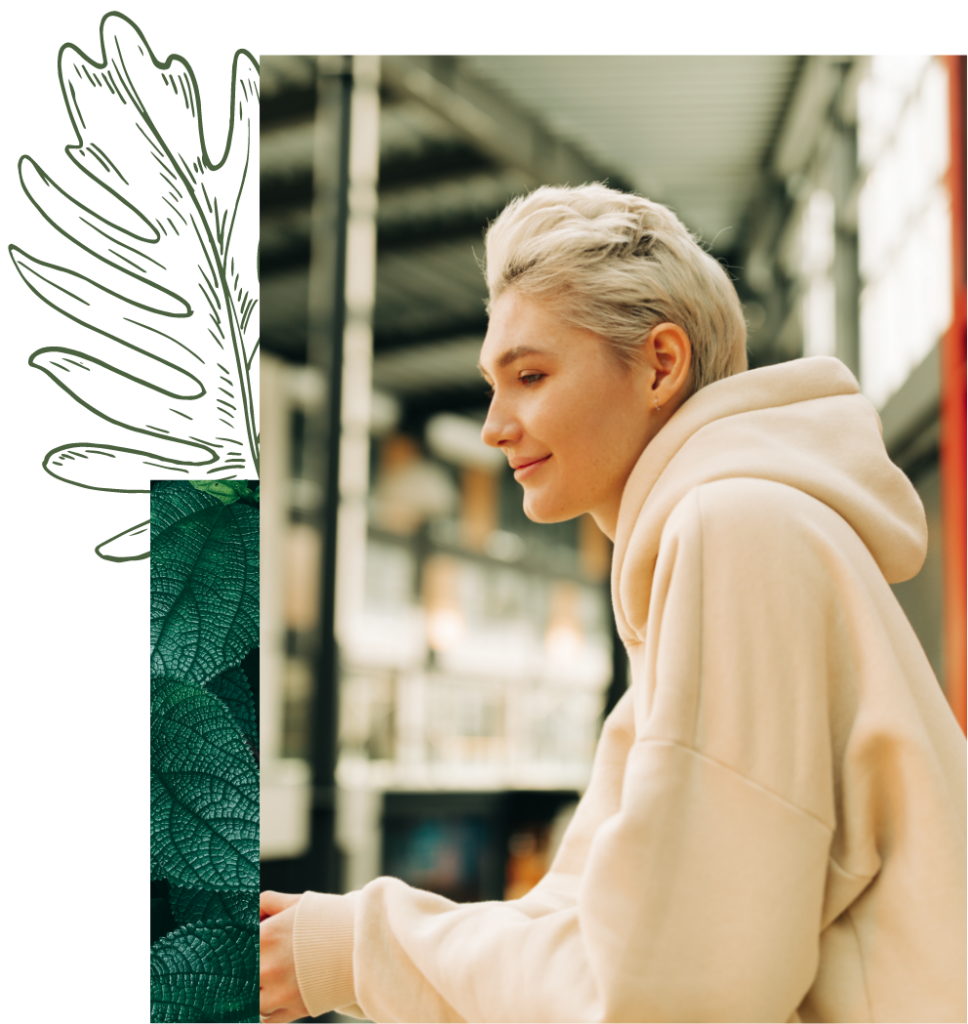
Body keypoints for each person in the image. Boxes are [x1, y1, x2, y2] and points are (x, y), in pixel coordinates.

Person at [260, 183, 968, 1024]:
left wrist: (361, 947)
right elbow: (590, 922)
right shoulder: (729, 539)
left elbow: (660, 993)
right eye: (494, 383)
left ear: (661, 365)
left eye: (530, 375)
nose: (494, 425)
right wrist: (334, 940)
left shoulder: (734, 532)